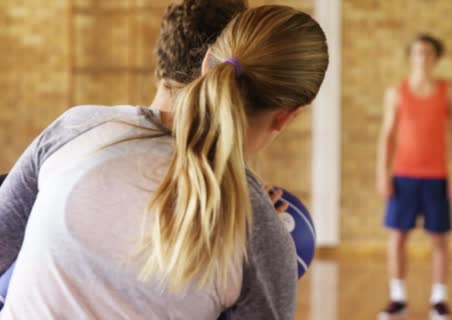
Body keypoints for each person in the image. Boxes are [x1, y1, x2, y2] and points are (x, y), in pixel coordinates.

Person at [0, 4, 328, 319]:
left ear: (207, 65)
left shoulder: (77, 128)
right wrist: (258, 233)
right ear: (287, 117)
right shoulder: (259, 234)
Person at [376, 33, 452, 320]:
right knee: (398, 236)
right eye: (417, 53)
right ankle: (397, 298)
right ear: (410, 57)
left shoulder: (447, 92)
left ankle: (439, 299)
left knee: (439, 238)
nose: (422, 58)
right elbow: (387, 136)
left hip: (437, 176)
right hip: (403, 176)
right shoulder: (396, 92)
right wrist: (382, 172)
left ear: (435, 58)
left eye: (427, 53)